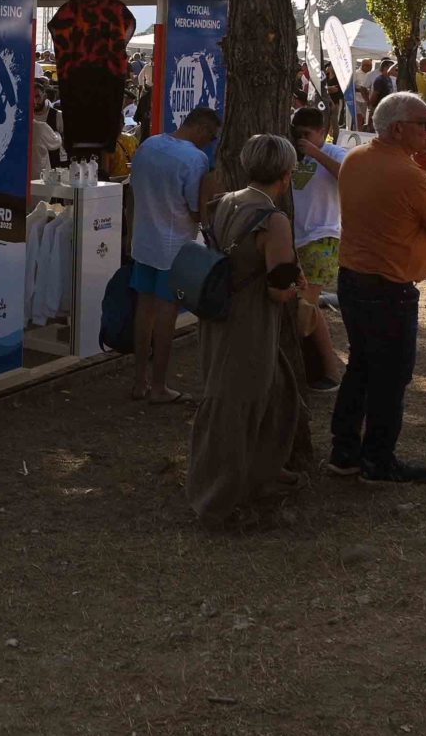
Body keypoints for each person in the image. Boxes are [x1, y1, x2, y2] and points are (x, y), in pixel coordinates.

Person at [329, 92, 426, 484]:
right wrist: (425, 175)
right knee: (390, 378)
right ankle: (377, 461)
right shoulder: (410, 175)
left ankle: (344, 452)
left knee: (361, 368)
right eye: (423, 123)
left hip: (353, 277)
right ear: (399, 128)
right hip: (389, 288)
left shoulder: (355, 158)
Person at [186, 135, 312, 524]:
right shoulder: (274, 220)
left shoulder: (224, 202)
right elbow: (278, 290)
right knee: (238, 403)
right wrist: (300, 289)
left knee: (274, 389)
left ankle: (262, 472)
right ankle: (218, 499)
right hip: (249, 319)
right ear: (286, 174)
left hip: (218, 314)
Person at [127, 107, 221, 404]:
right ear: (202, 129)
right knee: (167, 315)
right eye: (211, 137)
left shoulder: (149, 144)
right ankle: (158, 386)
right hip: (173, 247)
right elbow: (196, 211)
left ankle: (139, 381)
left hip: (144, 241)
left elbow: (133, 192)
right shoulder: (195, 159)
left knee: (144, 311)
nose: (210, 143)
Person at [287, 108, 346, 385]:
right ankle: (318, 367)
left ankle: (330, 372)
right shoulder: (293, 154)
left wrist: (316, 153)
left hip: (323, 236)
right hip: (296, 237)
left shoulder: (334, 152)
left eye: (307, 134)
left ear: (322, 131)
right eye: (297, 134)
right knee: (305, 304)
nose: (301, 140)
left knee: (307, 305)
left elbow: (349, 175)